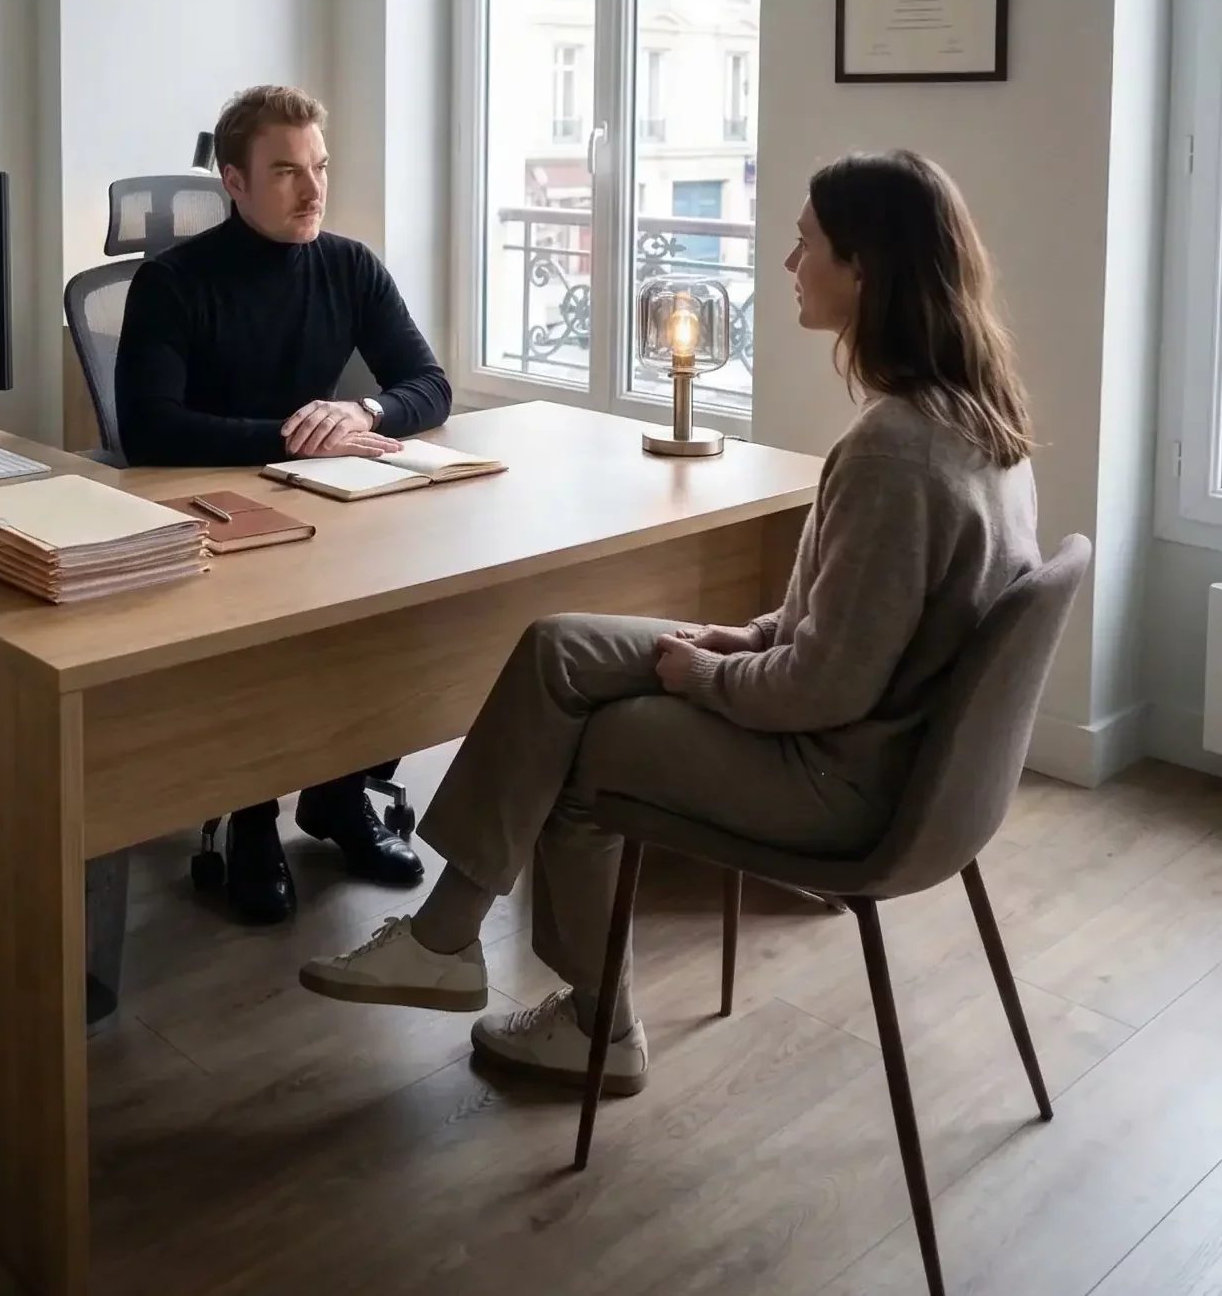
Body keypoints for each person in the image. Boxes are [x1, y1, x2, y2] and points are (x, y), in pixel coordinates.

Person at [298, 150, 1040, 1096]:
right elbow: (840, 620)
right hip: (893, 750)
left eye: (804, 244)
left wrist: (709, 678)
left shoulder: (895, 451)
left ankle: (591, 1024)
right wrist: (739, 640)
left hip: (844, 775)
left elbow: (825, 685)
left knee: (589, 745)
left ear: (864, 270)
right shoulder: (978, 418)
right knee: (558, 646)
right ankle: (445, 940)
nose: (786, 264)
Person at [116, 82, 453, 925]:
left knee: (386, 608)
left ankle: (337, 798)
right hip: (208, 509)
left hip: (324, 497)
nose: (311, 191)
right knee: (260, 641)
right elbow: (149, 431)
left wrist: (363, 411)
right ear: (232, 182)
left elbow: (428, 385)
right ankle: (252, 819)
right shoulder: (170, 283)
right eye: (284, 172)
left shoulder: (348, 264)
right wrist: (294, 435)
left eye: (319, 168)